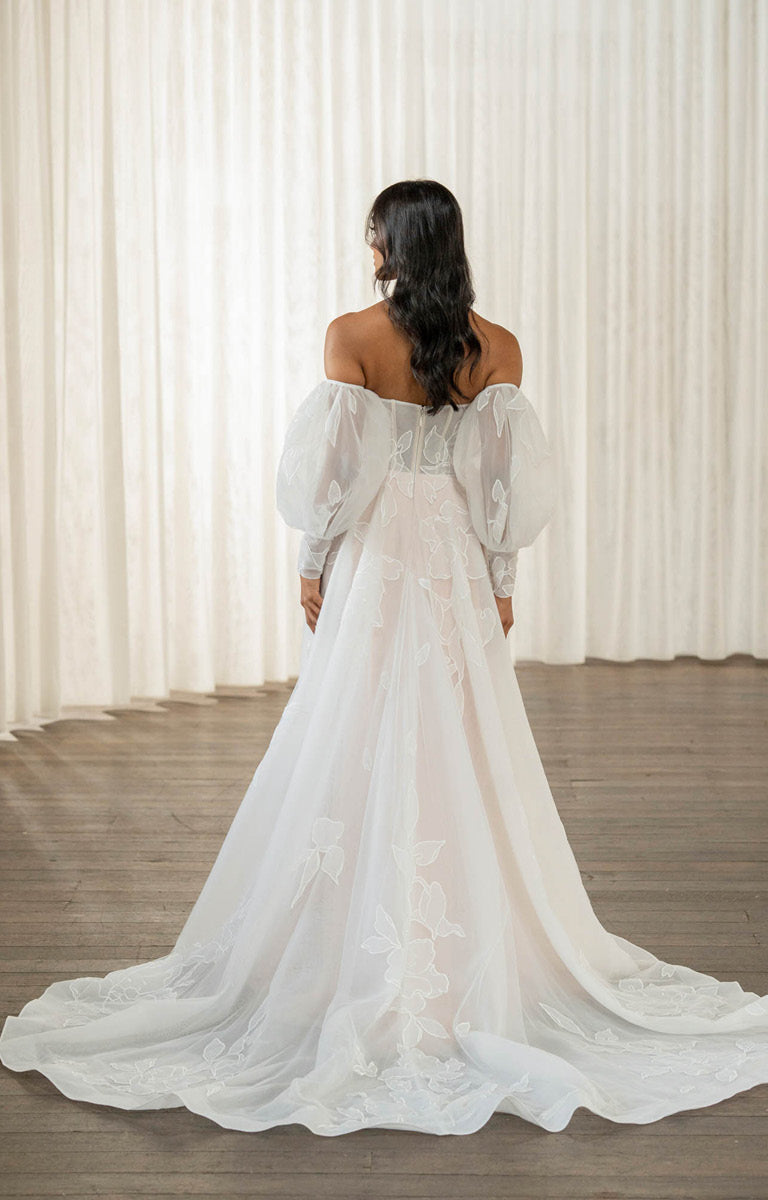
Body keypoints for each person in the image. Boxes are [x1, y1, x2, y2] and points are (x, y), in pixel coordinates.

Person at [1, 179, 767, 1136]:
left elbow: (334, 477)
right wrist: (499, 578)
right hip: (448, 555)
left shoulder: (352, 336)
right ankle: (458, 951)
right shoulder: (500, 348)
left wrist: (312, 561)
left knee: (354, 726)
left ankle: (355, 941)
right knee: (458, 737)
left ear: (390, 243)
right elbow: (500, 487)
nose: (365, 246)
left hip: (378, 557)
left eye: (371, 233)